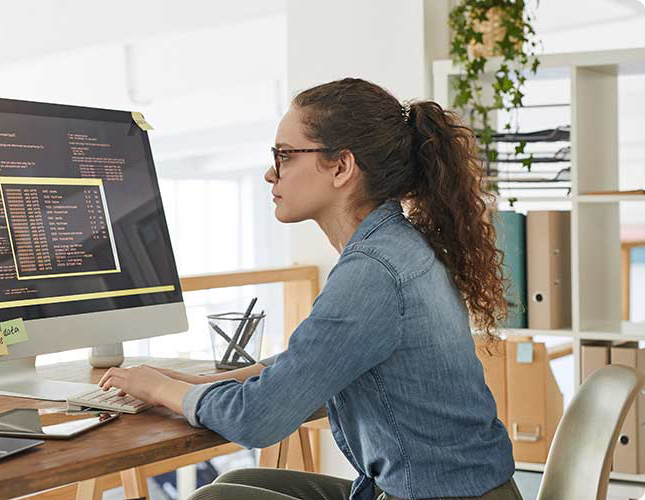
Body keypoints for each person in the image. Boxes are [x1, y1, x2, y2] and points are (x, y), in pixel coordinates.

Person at [98, 77, 521, 500]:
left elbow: (258, 419)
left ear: (341, 167)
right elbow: (312, 362)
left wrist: (157, 389)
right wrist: (197, 382)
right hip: (457, 489)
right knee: (232, 484)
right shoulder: (394, 247)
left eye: (284, 156)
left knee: (216, 499)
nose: (270, 173)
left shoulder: (374, 271)